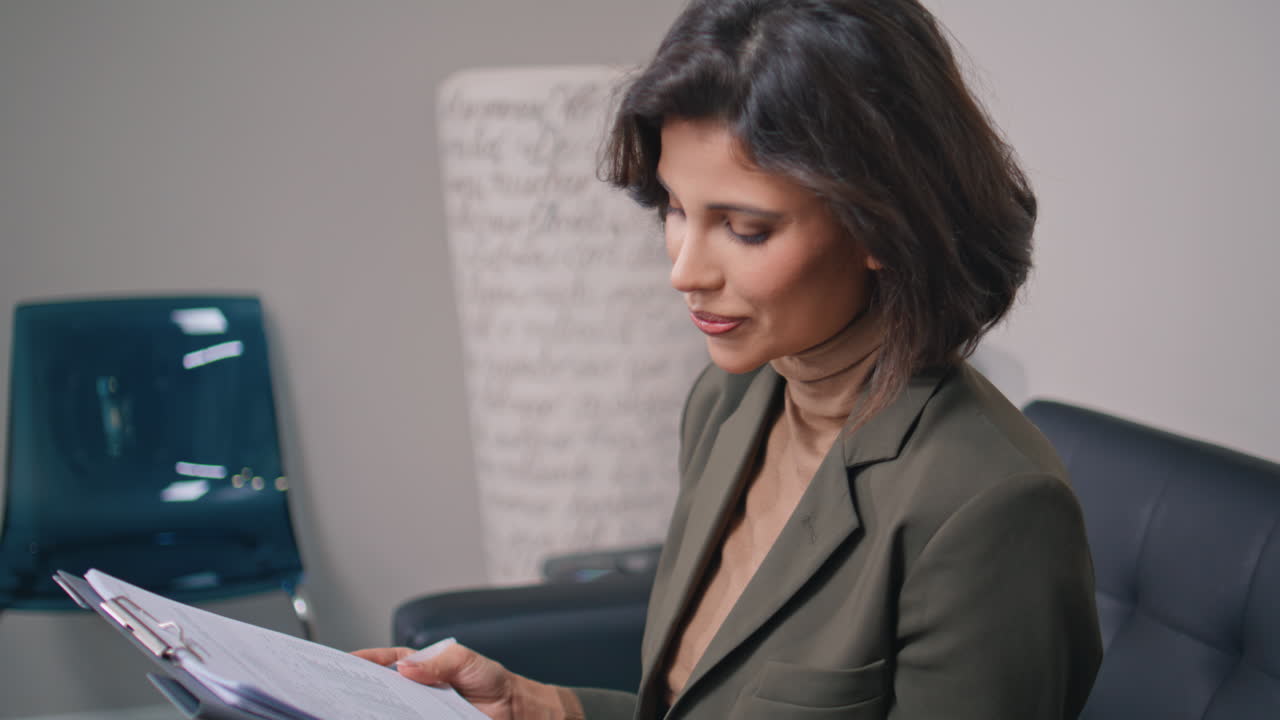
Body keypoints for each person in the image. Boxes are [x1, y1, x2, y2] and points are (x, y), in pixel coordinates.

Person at [357, 0, 1103, 717]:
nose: (684, 270)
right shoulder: (729, 399)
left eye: (744, 228)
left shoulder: (988, 508)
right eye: (675, 209)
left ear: (883, 227)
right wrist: (542, 709)